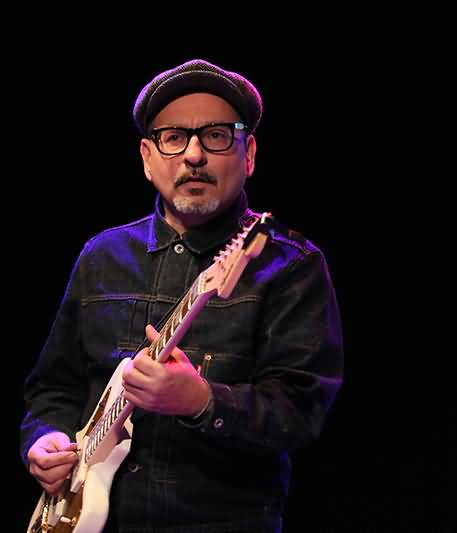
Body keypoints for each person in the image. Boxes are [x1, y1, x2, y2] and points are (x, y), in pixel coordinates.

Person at [20, 58, 344, 533]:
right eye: (173, 137)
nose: (194, 155)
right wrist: (44, 437)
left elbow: (301, 412)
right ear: (147, 158)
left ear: (249, 154)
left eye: (216, 136)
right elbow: (53, 387)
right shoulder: (101, 256)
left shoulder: (290, 266)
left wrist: (203, 401)